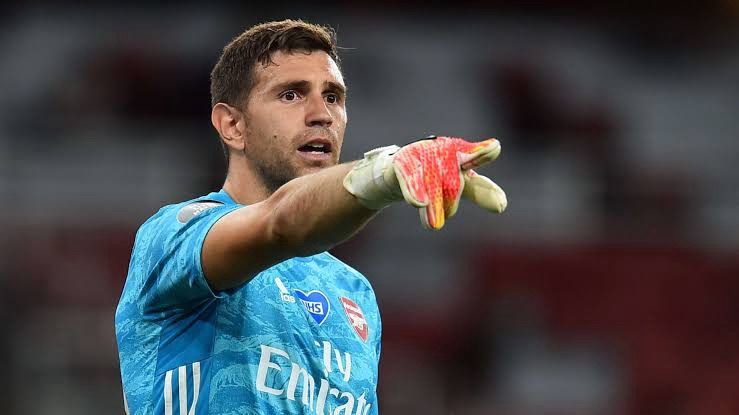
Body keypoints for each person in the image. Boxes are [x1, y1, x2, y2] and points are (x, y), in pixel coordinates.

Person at [115, 19, 507, 415]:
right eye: (291, 95)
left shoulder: (354, 292)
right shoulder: (174, 237)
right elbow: (280, 225)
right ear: (233, 125)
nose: (322, 114)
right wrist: (383, 174)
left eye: (333, 97)